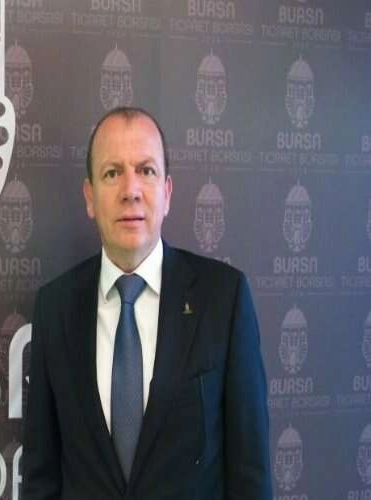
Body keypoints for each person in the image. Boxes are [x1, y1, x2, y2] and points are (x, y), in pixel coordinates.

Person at [21, 107, 271, 499]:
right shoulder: (54, 308)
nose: (131, 190)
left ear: (167, 193)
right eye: (112, 173)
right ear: (90, 197)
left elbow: (250, 474)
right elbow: (41, 477)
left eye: (146, 170)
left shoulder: (224, 299)